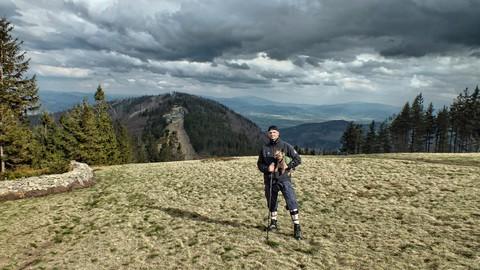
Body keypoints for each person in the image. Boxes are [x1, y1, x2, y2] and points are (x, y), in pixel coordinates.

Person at [257, 125, 302, 240]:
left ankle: (297, 227)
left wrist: (288, 167)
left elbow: (298, 159)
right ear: (268, 134)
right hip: (270, 180)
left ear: (278, 133)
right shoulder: (264, 148)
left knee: (291, 201)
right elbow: (259, 164)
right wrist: (267, 169)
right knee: (271, 203)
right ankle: (273, 223)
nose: (272, 134)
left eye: (274, 132)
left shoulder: (286, 146)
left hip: (284, 179)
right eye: (270, 132)